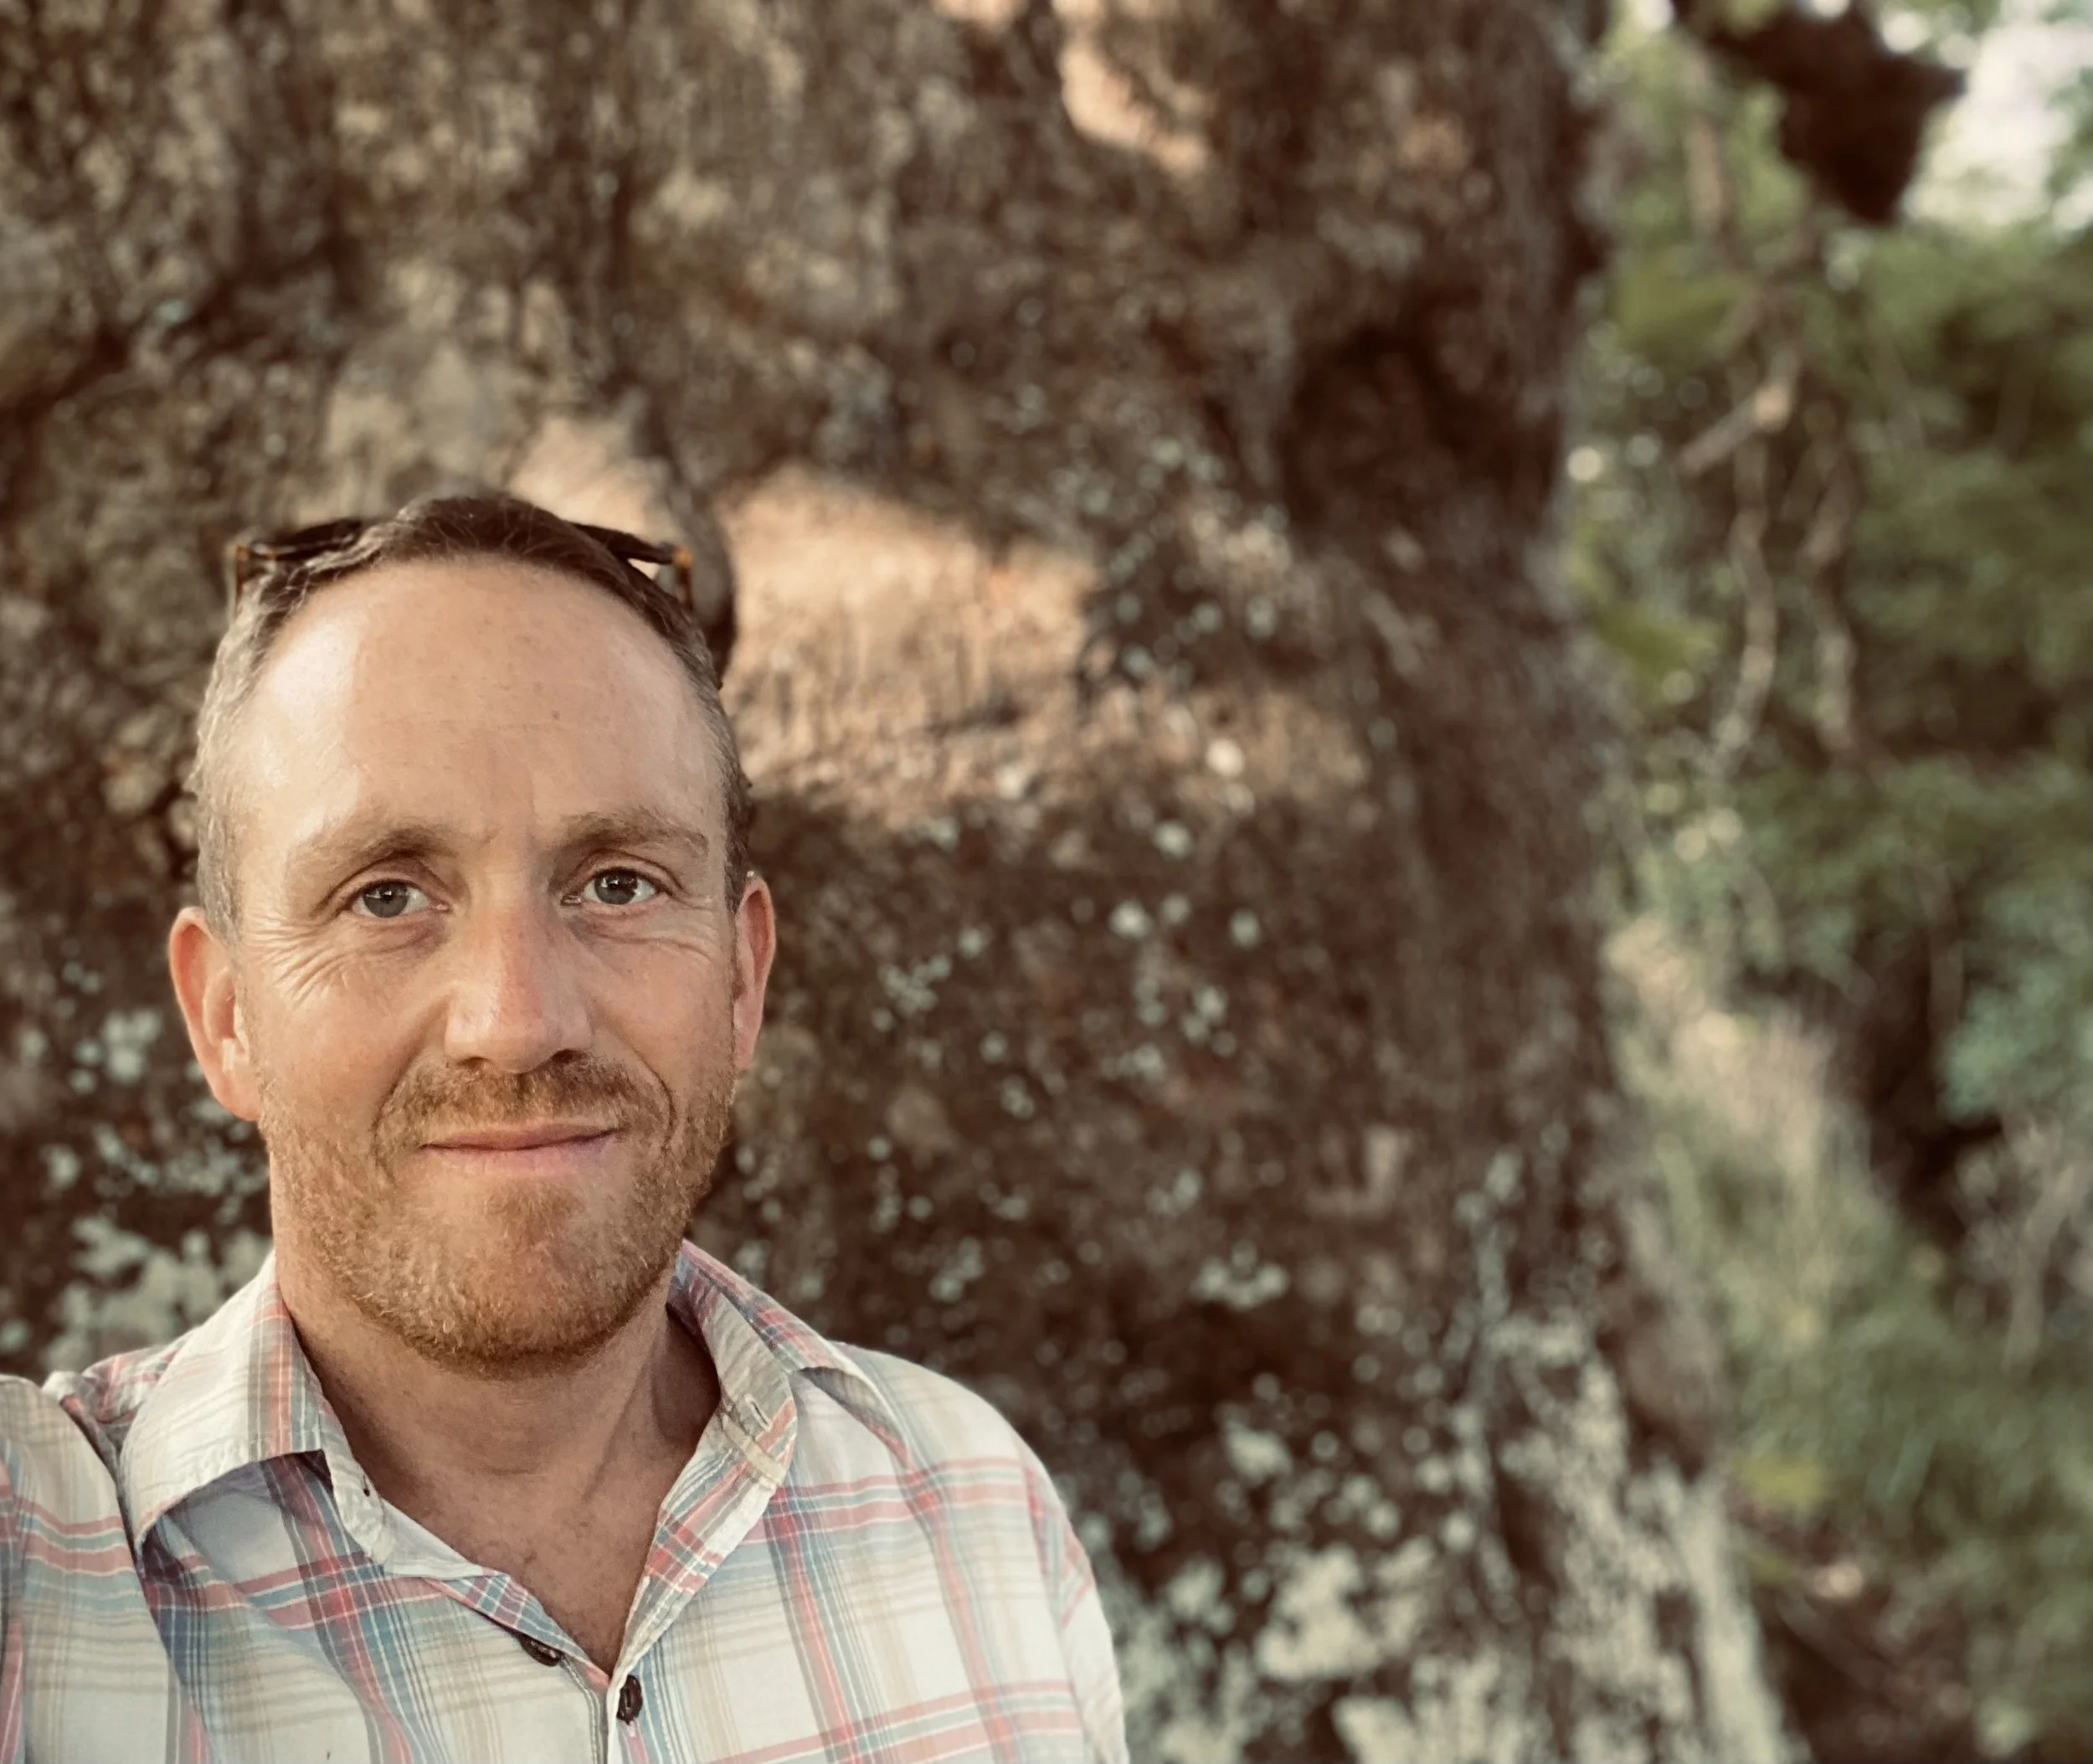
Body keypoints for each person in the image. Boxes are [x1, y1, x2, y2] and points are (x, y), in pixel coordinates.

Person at [0, 495, 1128, 1763]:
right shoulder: (43, 1568)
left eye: (615, 884)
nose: (517, 1018)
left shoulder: (974, 1507)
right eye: (386, 896)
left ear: (743, 980)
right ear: (225, 1017)